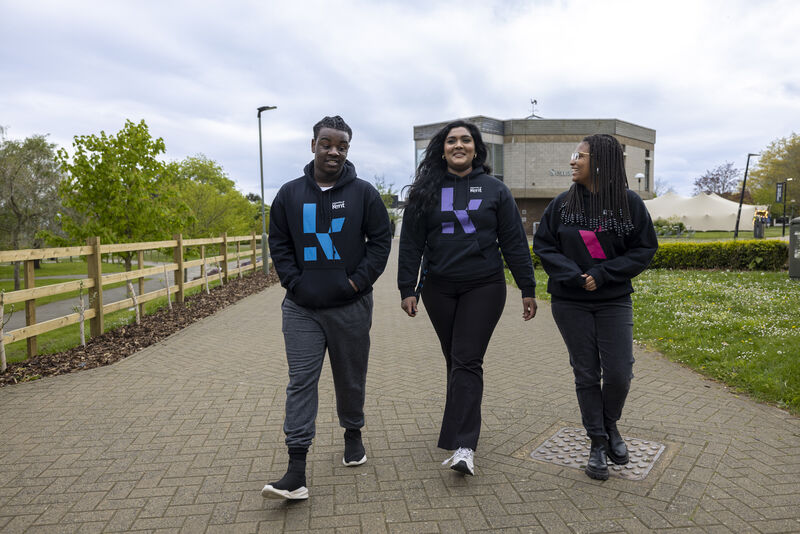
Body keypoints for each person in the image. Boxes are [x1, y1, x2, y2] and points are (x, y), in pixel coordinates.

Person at [262, 115, 392, 500]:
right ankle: (296, 470)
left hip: (350, 307)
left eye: (341, 146)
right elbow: (279, 242)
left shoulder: (364, 194)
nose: (333, 151)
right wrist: (294, 283)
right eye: (326, 143)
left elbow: (381, 242)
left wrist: (355, 282)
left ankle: (353, 432)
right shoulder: (288, 194)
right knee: (301, 382)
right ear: (313, 144)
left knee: (349, 379)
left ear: (347, 150)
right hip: (301, 308)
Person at [398, 120, 537, 476]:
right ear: (441, 149)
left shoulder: (495, 190)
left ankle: (464, 446)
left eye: (465, 140)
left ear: (476, 147)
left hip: (484, 286)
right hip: (438, 287)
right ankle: (455, 427)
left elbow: (514, 242)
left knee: (466, 359)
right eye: (451, 141)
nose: (458, 145)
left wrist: (527, 288)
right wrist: (407, 288)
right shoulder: (424, 191)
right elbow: (412, 242)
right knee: (455, 359)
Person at [533, 134, 658, 480]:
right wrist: (574, 275)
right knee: (587, 373)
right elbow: (544, 247)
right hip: (570, 302)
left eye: (581, 156)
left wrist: (602, 274)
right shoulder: (561, 205)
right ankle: (598, 442)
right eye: (574, 155)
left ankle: (610, 425)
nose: (573, 161)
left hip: (613, 300)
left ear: (600, 162)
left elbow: (645, 249)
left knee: (619, 372)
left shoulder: (629, 204)